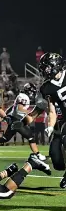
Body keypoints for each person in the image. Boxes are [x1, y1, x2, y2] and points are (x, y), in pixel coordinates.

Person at [0, 83, 51, 175]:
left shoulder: (21, 96)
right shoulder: (23, 97)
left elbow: (12, 107)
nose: (32, 93)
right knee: (30, 137)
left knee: (5, 138)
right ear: (29, 91)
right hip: (16, 121)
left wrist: (4, 116)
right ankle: (37, 155)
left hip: (13, 119)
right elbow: (19, 108)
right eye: (32, 91)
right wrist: (29, 113)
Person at [32, 52, 66, 187]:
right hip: (64, 119)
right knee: (56, 159)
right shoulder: (48, 87)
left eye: (46, 67)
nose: (45, 70)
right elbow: (52, 111)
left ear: (55, 65)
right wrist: (51, 126)